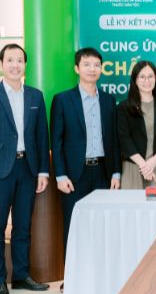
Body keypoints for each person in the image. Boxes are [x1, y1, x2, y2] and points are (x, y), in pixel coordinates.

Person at [0, 44, 50, 294]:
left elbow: (42, 137)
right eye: (10, 60)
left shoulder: (35, 96)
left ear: (25, 64)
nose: (15, 65)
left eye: (20, 60)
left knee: (23, 226)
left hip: (28, 168)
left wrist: (43, 171)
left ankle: (21, 275)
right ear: (1, 64)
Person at [50, 47, 121, 273]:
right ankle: (72, 277)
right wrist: (60, 175)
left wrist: (116, 172)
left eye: (96, 65)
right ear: (77, 68)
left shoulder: (109, 100)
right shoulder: (62, 100)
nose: (92, 69)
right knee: (74, 226)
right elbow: (56, 141)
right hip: (73, 175)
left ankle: (99, 275)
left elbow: (114, 139)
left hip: (102, 173)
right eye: (87, 64)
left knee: (101, 226)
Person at [117, 61, 156, 189]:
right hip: (133, 167)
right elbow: (124, 139)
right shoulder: (124, 107)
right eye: (142, 77)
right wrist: (144, 165)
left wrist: (153, 161)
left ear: (155, 79)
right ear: (135, 80)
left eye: (150, 76)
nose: (147, 80)